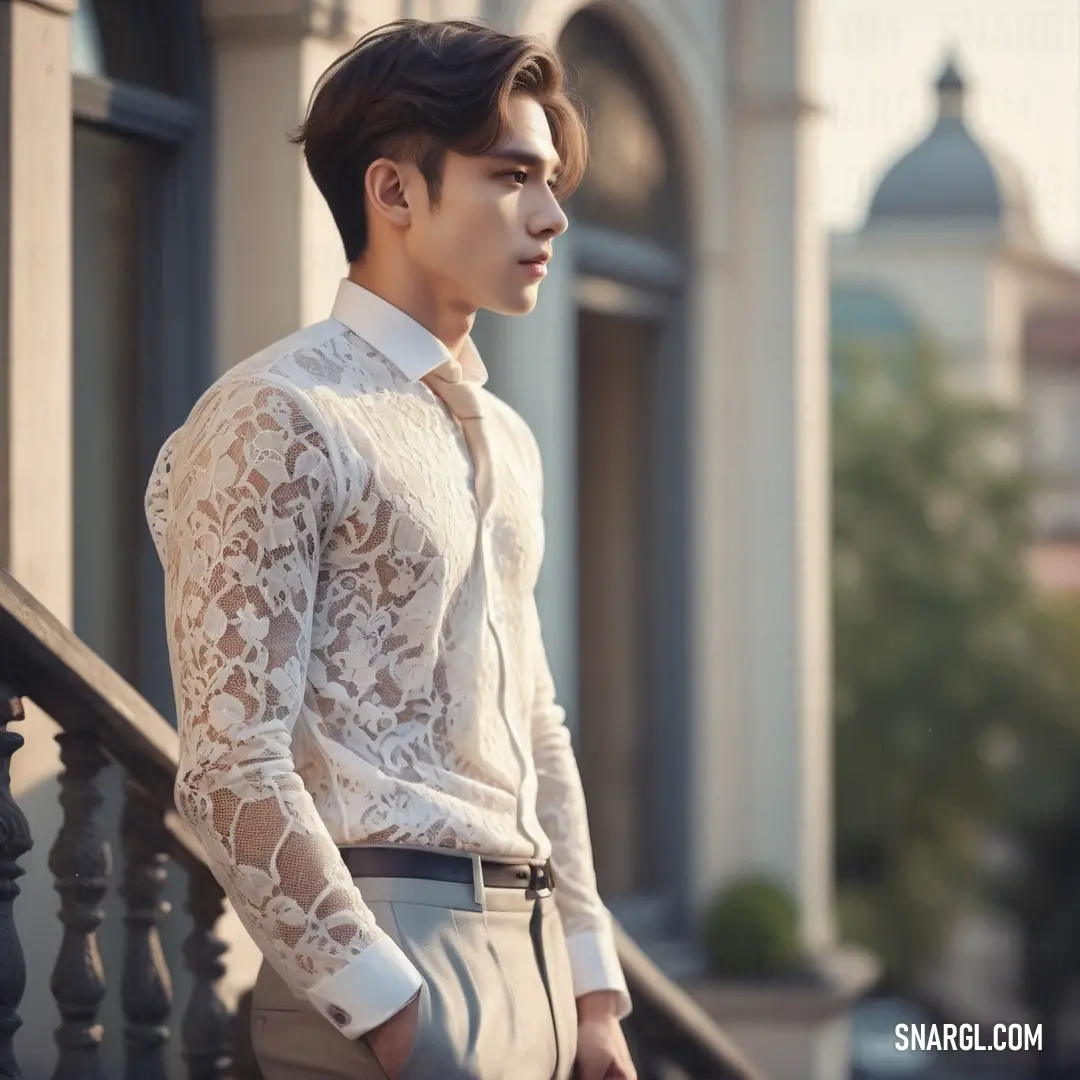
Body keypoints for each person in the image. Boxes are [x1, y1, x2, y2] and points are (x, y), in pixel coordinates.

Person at [145, 17, 635, 1080]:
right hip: (391, 959)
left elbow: (535, 727)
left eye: (551, 180)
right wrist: (391, 1011)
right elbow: (231, 765)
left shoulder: (505, 433)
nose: (551, 215)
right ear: (396, 192)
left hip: (538, 964)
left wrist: (592, 990)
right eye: (512, 176)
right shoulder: (278, 413)